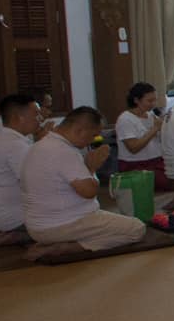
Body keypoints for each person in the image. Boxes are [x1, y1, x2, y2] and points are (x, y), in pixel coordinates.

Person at [21, 108, 148, 259]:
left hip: (40, 226)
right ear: (79, 130)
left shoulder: (40, 145)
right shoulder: (64, 151)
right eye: (93, 135)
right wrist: (92, 167)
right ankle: (68, 247)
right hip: (62, 224)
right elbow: (89, 192)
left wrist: (88, 168)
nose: (93, 140)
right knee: (136, 229)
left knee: (115, 221)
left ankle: (60, 241)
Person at [0, 92, 44, 243]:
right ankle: (20, 236)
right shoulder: (14, 145)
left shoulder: (11, 138)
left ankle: (22, 235)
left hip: (9, 212)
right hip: (15, 216)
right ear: (19, 117)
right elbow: (36, 182)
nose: (40, 119)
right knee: (75, 219)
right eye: (36, 115)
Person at [114, 83, 167, 176]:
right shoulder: (125, 119)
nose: (153, 104)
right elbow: (133, 148)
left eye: (155, 100)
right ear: (136, 100)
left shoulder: (151, 115)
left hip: (157, 161)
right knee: (172, 182)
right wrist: (155, 129)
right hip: (136, 166)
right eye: (150, 101)